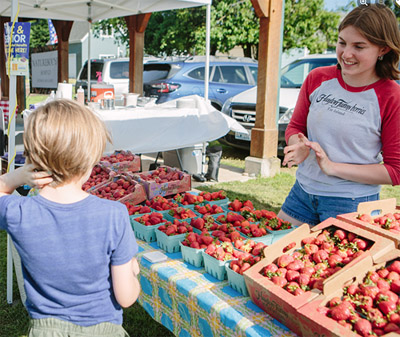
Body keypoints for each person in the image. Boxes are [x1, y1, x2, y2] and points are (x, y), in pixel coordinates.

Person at [0, 99, 140, 336]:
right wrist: (133, 271)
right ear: (89, 162)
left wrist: (19, 176)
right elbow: (126, 297)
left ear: (34, 158)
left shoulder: (20, 213)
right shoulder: (113, 215)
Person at [278, 4, 400, 227]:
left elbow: (395, 171)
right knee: (271, 255)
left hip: (351, 204)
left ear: (383, 49)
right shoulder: (317, 78)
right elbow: (295, 127)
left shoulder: (391, 96)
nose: (346, 54)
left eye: (359, 46)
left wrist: (333, 167)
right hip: (301, 194)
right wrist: (299, 144)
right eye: (342, 42)